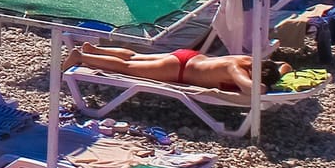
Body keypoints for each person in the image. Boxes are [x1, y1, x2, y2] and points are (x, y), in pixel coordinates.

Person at [67, 41, 291, 93]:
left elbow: (285, 65)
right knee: (126, 67)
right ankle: (81, 57)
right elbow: (252, 90)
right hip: (180, 70)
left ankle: (96, 50)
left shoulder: (248, 59)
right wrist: (266, 85)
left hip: (188, 56)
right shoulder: (237, 70)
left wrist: (279, 73)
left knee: (136, 56)